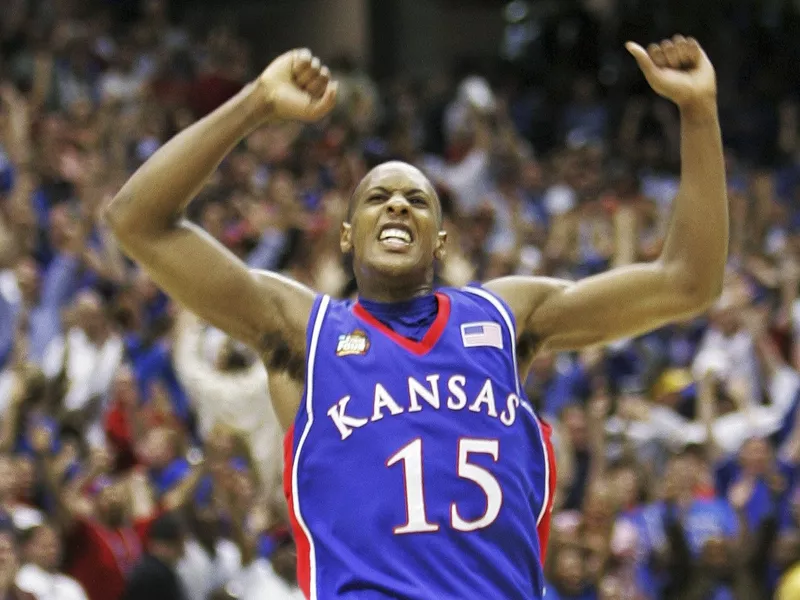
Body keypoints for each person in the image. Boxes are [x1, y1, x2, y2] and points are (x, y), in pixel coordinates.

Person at [104, 35, 728, 600]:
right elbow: (137, 219)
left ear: (442, 241)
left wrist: (698, 113)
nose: (398, 204)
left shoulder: (506, 316)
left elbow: (686, 282)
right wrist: (256, 104)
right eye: (378, 197)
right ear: (347, 237)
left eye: (417, 200)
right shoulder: (304, 331)